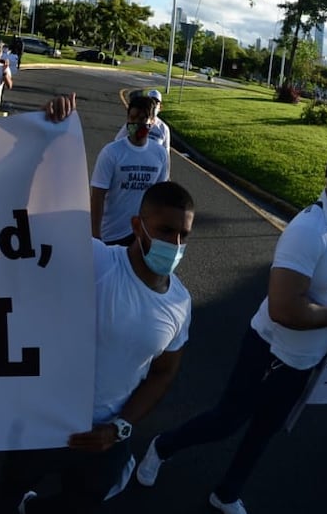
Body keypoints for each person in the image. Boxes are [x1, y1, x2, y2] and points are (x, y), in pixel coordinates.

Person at [136, 139, 327, 514]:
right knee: (226, 421)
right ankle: (162, 447)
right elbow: (283, 307)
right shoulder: (308, 231)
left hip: (303, 361)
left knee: (265, 430)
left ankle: (227, 493)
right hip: (270, 351)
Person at [15, 181, 195, 513]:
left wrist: (119, 428)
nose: (176, 244)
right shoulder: (96, 259)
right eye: (166, 231)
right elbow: (24, 226)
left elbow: (163, 372)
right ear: (137, 226)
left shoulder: (180, 303)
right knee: (7, 489)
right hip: (44, 419)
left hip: (104, 438)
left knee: (80, 504)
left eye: (184, 235)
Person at [90, 95, 170, 245]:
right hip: (111, 235)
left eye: (142, 119)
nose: (136, 123)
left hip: (141, 235)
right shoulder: (111, 153)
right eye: (132, 118)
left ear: (152, 121)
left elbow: (159, 196)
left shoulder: (160, 154)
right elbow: (97, 196)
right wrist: (95, 236)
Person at [114, 89, 172, 155]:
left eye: (156, 103)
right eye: (151, 101)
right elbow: (118, 141)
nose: (154, 105)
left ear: (160, 107)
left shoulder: (163, 128)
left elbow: (166, 153)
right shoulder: (135, 123)